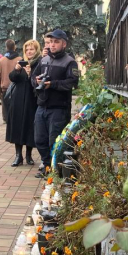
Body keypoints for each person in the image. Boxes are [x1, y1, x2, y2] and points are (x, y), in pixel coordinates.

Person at [32, 29, 80, 178]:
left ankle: (55, 170)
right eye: (50, 41)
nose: (52, 45)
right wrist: (37, 82)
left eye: (56, 42)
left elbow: (72, 82)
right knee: (39, 139)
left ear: (63, 44)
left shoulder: (70, 62)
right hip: (42, 106)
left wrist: (51, 84)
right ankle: (46, 166)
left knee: (55, 141)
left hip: (59, 109)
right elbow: (33, 78)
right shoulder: (44, 60)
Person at [7, 40, 40, 167]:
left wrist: (30, 74)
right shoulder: (21, 62)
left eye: (31, 49)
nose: (29, 52)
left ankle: (29, 155)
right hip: (18, 100)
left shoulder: (39, 63)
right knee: (17, 126)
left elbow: (37, 82)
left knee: (30, 127)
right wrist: (16, 69)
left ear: (36, 50)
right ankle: (18, 155)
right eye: (27, 50)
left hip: (32, 100)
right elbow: (12, 77)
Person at [0, 39, 22, 124]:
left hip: (5, 87)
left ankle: (6, 120)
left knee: (5, 106)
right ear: (15, 47)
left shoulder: (1, 60)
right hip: (17, 87)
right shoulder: (20, 59)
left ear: (6, 47)